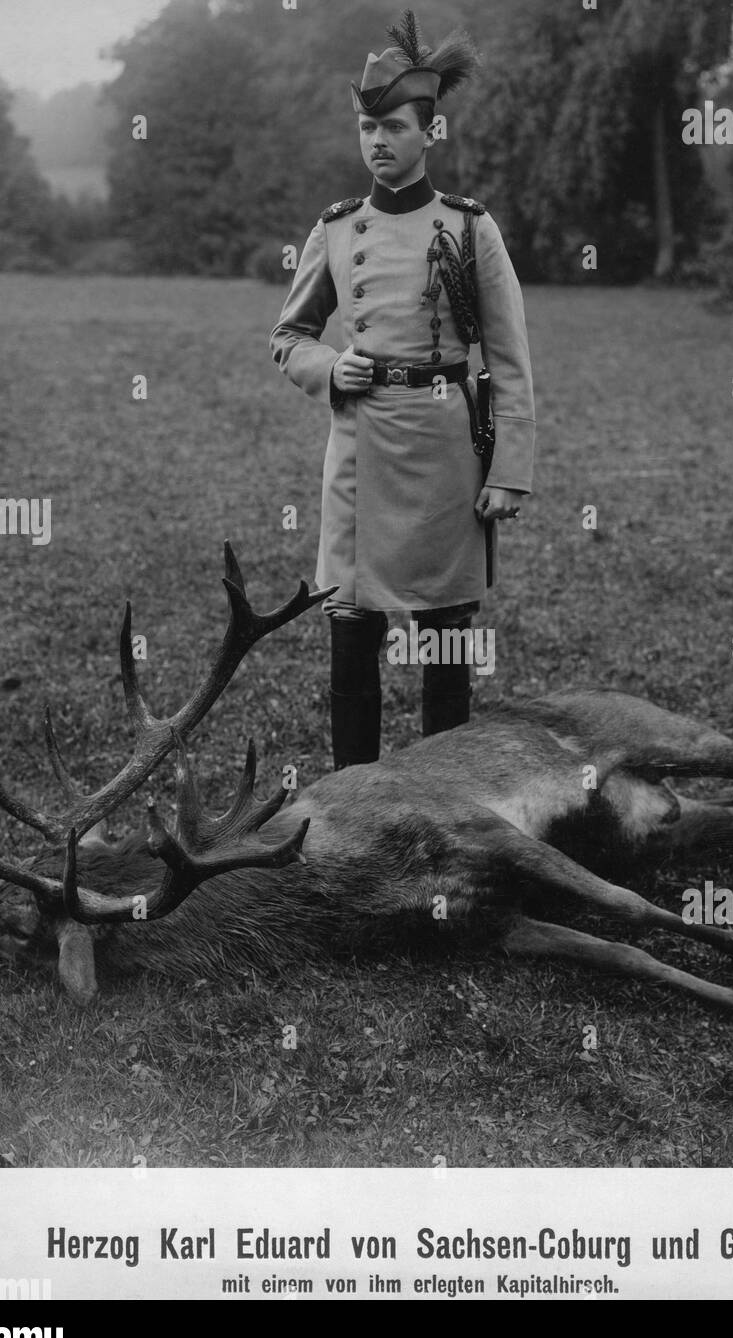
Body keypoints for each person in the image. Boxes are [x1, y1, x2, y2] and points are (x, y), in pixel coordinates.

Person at [270, 10, 535, 770]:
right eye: (366, 127)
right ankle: (353, 802)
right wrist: (330, 369)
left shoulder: (470, 229)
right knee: (351, 639)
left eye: (391, 126)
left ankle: (444, 804)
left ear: (430, 132)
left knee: (446, 642)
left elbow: (510, 358)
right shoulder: (336, 229)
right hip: (358, 454)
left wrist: (509, 469)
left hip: (447, 455)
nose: (377, 142)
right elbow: (288, 338)